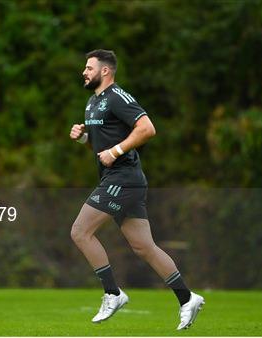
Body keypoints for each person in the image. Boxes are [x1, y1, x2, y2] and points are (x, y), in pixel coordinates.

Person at [69, 49, 204, 330]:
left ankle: (112, 293)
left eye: (89, 67)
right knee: (144, 247)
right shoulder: (92, 103)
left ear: (105, 71)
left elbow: (147, 128)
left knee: (80, 231)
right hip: (118, 179)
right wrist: (83, 139)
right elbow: (100, 148)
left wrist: (117, 150)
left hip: (123, 179)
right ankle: (187, 298)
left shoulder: (118, 97)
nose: (85, 72)